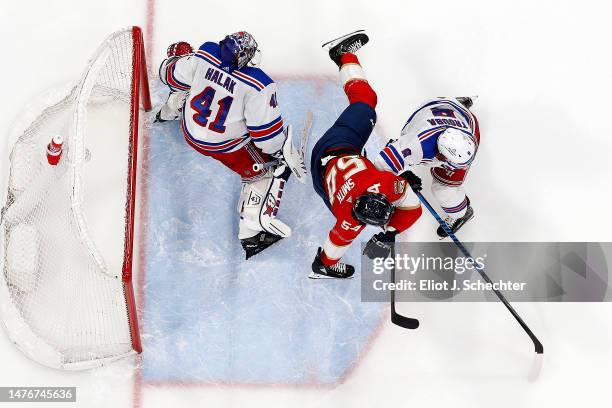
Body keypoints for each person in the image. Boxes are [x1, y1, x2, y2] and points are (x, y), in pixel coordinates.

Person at [156, 32, 306, 259]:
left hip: (189, 129)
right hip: (221, 145)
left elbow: (167, 75)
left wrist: (179, 60)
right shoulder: (259, 84)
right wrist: (282, 153)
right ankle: (251, 234)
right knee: (268, 168)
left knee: (184, 86)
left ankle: (167, 112)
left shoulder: (205, 52)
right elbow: (266, 137)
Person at [310, 31, 423, 279]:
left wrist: (391, 228)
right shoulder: (352, 214)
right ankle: (341, 54)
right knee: (368, 105)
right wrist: (389, 230)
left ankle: (344, 56)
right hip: (324, 179)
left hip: (335, 148)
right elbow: (411, 208)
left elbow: (411, 206)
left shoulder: (353, 219)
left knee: (366, 101)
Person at [375, 96, 480, 237]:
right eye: (450, 161)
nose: (454, 166)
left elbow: (460, 153)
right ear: (441, 154)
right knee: (394, 163)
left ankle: (461, 213)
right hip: (432, 114)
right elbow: (381, 163)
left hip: (452, 110)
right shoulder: (416, 145)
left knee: (442, 189)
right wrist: (401, 175)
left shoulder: (469, 139)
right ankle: (458, 104)